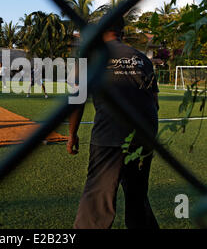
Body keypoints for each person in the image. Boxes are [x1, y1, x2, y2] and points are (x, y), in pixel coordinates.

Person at [67, 18, 160, 229]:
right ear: (122, 34)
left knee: (97, 201)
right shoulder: (142, 59)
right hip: (144, 136)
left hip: (110, 135)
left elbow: (76, 99)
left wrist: (72, 134)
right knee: (137, 197)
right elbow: (154, 102)